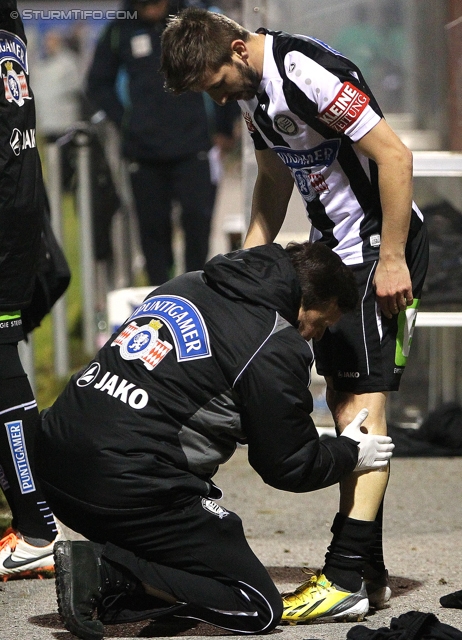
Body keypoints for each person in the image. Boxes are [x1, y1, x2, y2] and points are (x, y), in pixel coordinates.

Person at [159, 7, 429, 623]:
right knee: (343, 405)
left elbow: (396, 157)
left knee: (362, 407)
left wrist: (390, 258)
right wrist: (245, 266)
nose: (220, 96)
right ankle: (369, 574)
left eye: (216, 83)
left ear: (236, 48)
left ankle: (345, 573)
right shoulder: (252, 91)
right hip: (336, 251)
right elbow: (275, 177)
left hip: (376, 248)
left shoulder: (301, 70)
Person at [35, 241, 394, 638]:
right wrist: (350, 451)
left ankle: (111, 575)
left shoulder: (185, 284)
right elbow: (288, 465)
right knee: (255, 604)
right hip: (128, 488)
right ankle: (107, 571)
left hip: (54, 467)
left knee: (179, 565)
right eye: (322, 324)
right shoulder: (272, 343)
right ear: (310, 300)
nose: (316, 336)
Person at [85, 0, 237, 286]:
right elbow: (97, 83)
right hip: (143, 152)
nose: (151, 7)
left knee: (197, 223)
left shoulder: (195, 21)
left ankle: (196, 288)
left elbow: (226, 69)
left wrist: (224, 126)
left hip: (195, 147)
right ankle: (161, 290)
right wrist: (125, 123)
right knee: (153, 229)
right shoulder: (121, 29)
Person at [0, 1, 62, 579]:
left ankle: (37, 524)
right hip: (19, 207)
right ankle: (35, 517)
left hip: (6, 210)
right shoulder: (11, 21)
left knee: (0, 364)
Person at [32, 28, 82, 190]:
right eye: (47, 41)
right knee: (50, 159)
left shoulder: (68, 62)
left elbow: (76, 87)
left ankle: (66, 187)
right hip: (46, 123)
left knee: (65, 160)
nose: (49, 45)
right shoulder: (40, 65)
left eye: (52, 41)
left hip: (64, 122)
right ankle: (54, 188)